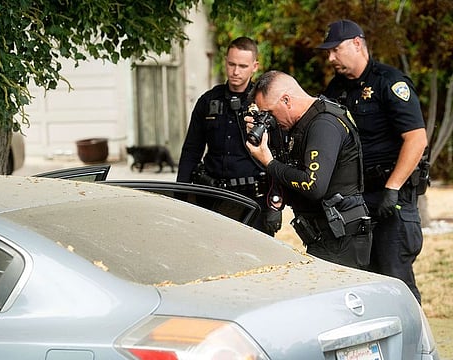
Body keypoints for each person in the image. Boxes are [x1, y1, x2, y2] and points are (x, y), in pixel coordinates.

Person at [317, 19, 428, 303]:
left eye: (335, 50)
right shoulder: (335, 90)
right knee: (363, 282)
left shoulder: (390, 82)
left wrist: (392, 188)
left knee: (396, 281)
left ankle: (418, 347)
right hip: (355, 200)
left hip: (391, 198)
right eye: (327, 52)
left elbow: (416, 139)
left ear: (357, 43)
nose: (330, 58)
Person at [245, 70, 372, 269]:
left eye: (269, 113)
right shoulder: (303, 124)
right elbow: (290, 170)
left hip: (340, 237)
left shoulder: (323, 124)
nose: (270, 120)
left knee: (335, 299)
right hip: (326, 235)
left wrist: (269, 163)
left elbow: (313, 185)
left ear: (286, 100)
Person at [176, 37, 282, 236]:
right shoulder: (208, 101)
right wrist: (180, 195)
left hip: (254, 199)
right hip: (213, 196)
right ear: (225, 61)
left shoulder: (265, 104)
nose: (235, 71)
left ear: (254, 67)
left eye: (242, 66)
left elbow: (277, 157)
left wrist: (275, 204)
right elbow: (191, 151)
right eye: (231, 64)